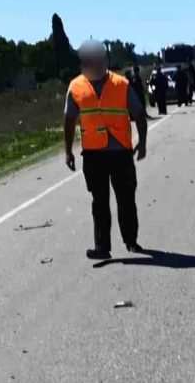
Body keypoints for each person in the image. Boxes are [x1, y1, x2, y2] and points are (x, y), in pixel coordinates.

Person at [63, 40, 147, 260]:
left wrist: (143, 142)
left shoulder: (121, 84)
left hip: (120, 152)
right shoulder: (76, 86)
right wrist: (68, 151)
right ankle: (102, 247)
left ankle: (131, 240)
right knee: (99, 202)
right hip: (93, 154)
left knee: (126, 199)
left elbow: (138, 113)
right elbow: (69, 119)